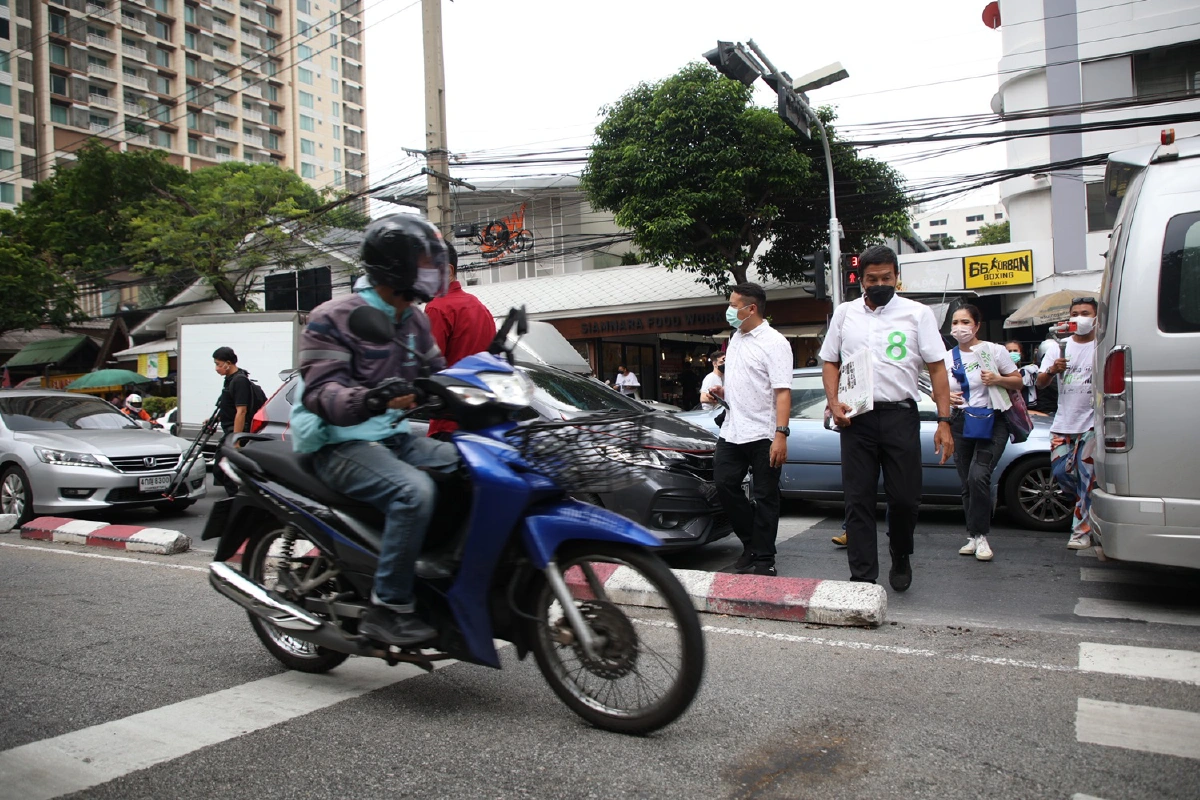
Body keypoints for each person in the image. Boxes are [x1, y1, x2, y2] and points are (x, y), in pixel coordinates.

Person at [292, 214, 458, 647]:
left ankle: (441, 578)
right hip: (337, 443)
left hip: (393, 437)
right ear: (394, 267)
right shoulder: (333, 316)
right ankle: (388, 607)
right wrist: (373, 398)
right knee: (413, 492)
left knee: (473, 466)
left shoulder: (415, 320)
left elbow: (436, 375)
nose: (429, 272)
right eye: (421, 263)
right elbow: (320, 393)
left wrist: (476, 382)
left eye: (431, 263)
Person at [819, 245, 953, 591]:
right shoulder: (845, 314)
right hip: (856, 420)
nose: (880, 283)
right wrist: (833, 402)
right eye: (872, 279)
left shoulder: (917, 314)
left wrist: (944, 421)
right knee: (858, 498)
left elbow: (937, 369)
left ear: (897, 277)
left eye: (886, 278)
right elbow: (829, 361)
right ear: (860, 280)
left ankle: (901, 551)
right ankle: (863, 577)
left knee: (905, 498)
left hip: (900, 417)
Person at [709, 282, 793, 576]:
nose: (729, 311)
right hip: (732, 429)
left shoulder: (775, 343)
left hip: (764, 432)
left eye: (734, 305)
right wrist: (721, 391)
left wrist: (781, 434)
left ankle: (763, 559)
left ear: (751, 308)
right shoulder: (735, 338)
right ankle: (751, 543)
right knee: (724, 484)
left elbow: (783, 392)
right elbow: (744, 381)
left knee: (766, 495)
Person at [945, 305, 1023, 562]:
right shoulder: (948, 357)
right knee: (966, 481)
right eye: (955, 321)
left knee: (979, 476)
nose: (959, 326)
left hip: (993, 420)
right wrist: (947, 396)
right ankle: (973, 534)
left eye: (965, 321)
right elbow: (938, 391)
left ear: (977, 325)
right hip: (961, 421)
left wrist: (998, 379)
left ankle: (981, 536)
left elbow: (1018, 380)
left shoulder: (994, 351)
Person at [1037, 297, 1099, 550]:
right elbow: (1040, 382)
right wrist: (1052, 370)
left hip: (1092, 424)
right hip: (1064, 423)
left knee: (1087, 478)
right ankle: (1091, 509)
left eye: (1085, 313)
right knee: (1062, 473)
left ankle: (1080, 532)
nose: (1079, 318)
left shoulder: (1102, 345)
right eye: (1074, 313)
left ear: (1095, 318)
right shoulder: (1057, 347)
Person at [423, 242, 497, 438]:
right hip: (483, 417)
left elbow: (430, 368)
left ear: (448, 271)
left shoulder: (437, 308)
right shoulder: (479, 306)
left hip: (449, 420)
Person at [212, 347, 254, 496]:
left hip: (234, 433)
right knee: (219, 469)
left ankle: (237, 499)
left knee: (225, 469)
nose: (216, 368)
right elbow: (229, 405)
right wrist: (217, 417)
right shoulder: (229, 380)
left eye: (218, 364)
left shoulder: (240, 381)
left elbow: (241, 411)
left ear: (228, 363)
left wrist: (237, 439)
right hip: (229, 430)